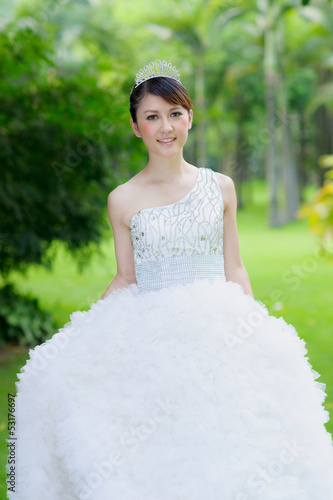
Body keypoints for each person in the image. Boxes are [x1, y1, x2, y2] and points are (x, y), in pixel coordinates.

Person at [8, 59, 333, 500]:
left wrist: (252, 323)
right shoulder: (122, 199)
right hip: (151, 333)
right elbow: (125, 276)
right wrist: (76, 337)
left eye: (175, 113)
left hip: (217, 324)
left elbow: (233, 266)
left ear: (190, 118)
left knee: (231, 436)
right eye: (152, 117)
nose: (166, 127)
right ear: (135, 126)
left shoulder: (220, 187)